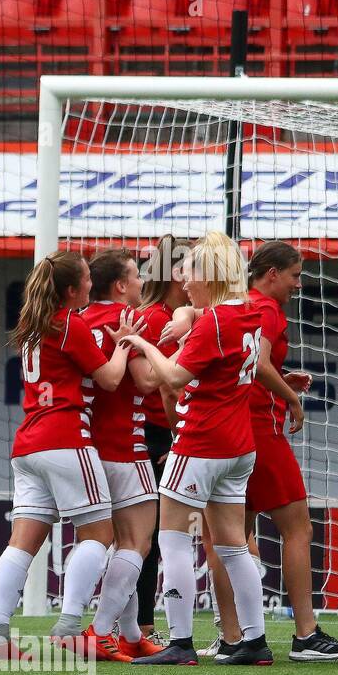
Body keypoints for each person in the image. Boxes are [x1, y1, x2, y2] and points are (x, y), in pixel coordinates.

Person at [0, 251, 140, 659]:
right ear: (72, 290)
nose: (90, 284)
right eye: (86, 279)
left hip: (28, 443)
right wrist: (122, 342)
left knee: (22, 542)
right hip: (66, 437)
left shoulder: (33, 325)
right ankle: (69, 626)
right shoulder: (70, 325)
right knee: (100, 534)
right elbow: (110, 379)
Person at [202, 241, 338, 663]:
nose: (297, 284)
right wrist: (290, 396)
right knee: (298, 528)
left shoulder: (240, 304)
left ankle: (232, 636)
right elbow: (261, 364)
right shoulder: (266, 309)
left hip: (233, 431)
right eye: (294, 275)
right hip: (260, 432)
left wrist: (281, 379)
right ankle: (306, 634)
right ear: (271, 273)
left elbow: (248, 364)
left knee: (230, 539)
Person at [122, 230, 272, 666]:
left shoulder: (215, 322)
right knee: (232, 545)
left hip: (202, 441)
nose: (183, 281)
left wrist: (145, 342)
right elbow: (208, 317)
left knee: (171, 537)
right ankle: (255, 641)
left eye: (190, 273)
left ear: (209, 275)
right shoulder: (247, 313)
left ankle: (181, 642)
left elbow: (171, 379)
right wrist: (189, 315)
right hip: (238, 445)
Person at [79, 250, 167, 660]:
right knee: (137, 543)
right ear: (119, 285)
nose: (140, 283)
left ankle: (130, 632)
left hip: (88, 445)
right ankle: (99, 631)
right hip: (126, 448)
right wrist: (181, 348)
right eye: (135, 277)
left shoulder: (79, 320)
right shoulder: (126, 321)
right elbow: (147, 382)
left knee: (117, 543)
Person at [132, 236, 190, 643]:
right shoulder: (153, 319)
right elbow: (156, 385)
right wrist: (175, 434)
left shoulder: (180, 315)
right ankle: (142, 624)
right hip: (157, 436)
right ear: (175, 273)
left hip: (173, 434)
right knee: (150, 537)